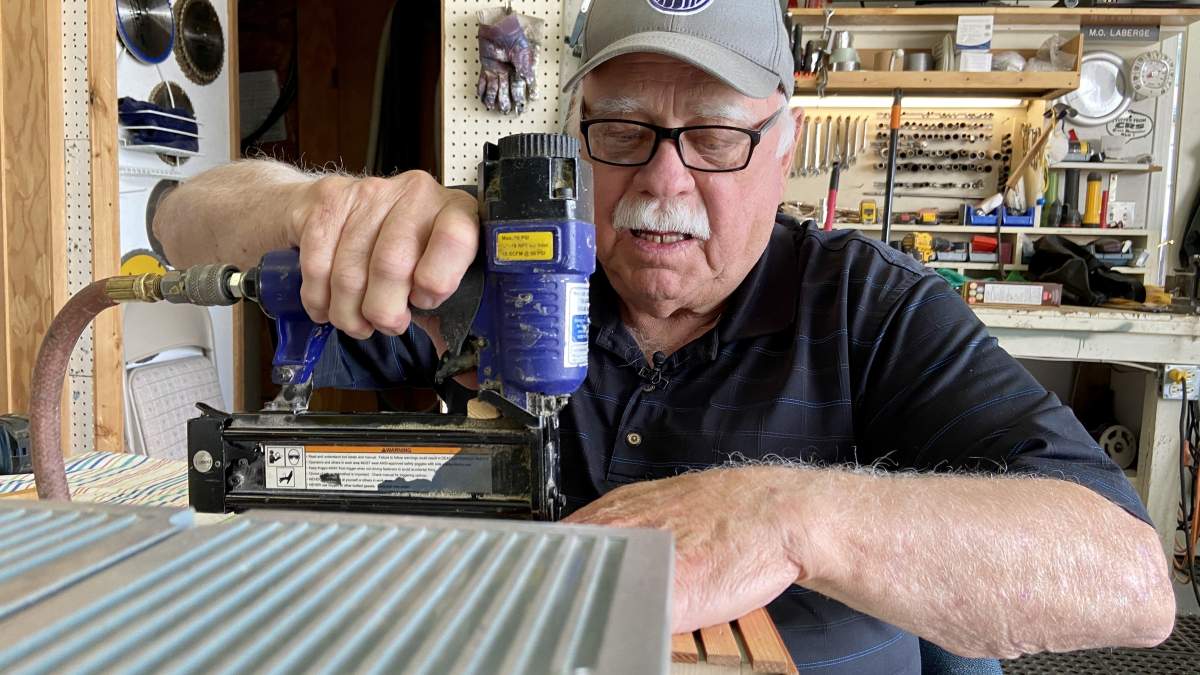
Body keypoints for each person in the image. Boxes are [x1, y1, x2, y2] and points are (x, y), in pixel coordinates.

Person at [155, 0, 1174, 671]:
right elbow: (177, 218)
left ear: (783, 149)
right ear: (577, 130)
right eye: (625, 128)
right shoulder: (499, 265)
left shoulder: (871, 311)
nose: (662, 182)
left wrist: (784, 518)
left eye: (717, 136)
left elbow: (1130, 585)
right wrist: (321, 211)